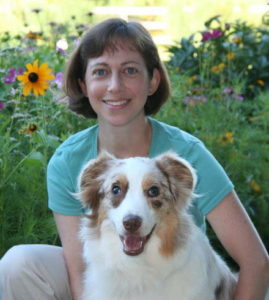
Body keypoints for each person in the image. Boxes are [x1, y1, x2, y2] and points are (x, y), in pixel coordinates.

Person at [0, 18, 268, 300]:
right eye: (101, 71)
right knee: (20, 264)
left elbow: (256, 262)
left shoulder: (187, 153)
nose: (114, 86)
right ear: (84, 84)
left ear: (153, 80)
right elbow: (80, 272)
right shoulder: (68, 161)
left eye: (129, 70)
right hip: (110, 282)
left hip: (178, 280)